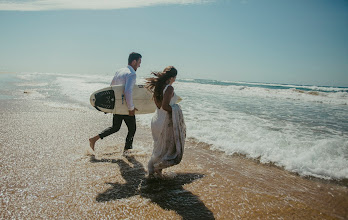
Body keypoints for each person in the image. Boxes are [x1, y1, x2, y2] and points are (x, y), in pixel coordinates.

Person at [89, 52, 142, 153]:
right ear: (134, 61)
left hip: (118, 106)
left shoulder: (119, 71)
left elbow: (111, 87)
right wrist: (131, 108)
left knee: (115, 127)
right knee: (132, 129)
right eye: (139, 62)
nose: (139, 65)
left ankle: (94, 139)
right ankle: (127, 151)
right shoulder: (132, 74)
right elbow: (128, 91)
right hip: (126, 107)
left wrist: (109, 106)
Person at [145, 66, 186, 178]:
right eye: (175, 77)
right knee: (166, 150)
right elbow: (165, 106)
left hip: (156, 120)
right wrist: (177, 109)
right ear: (173, 77)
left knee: (158, 148)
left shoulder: (158, 87)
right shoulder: (169, 88)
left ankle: (153, 172)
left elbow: (159, 105)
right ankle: (156, 170)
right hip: (164, 122)